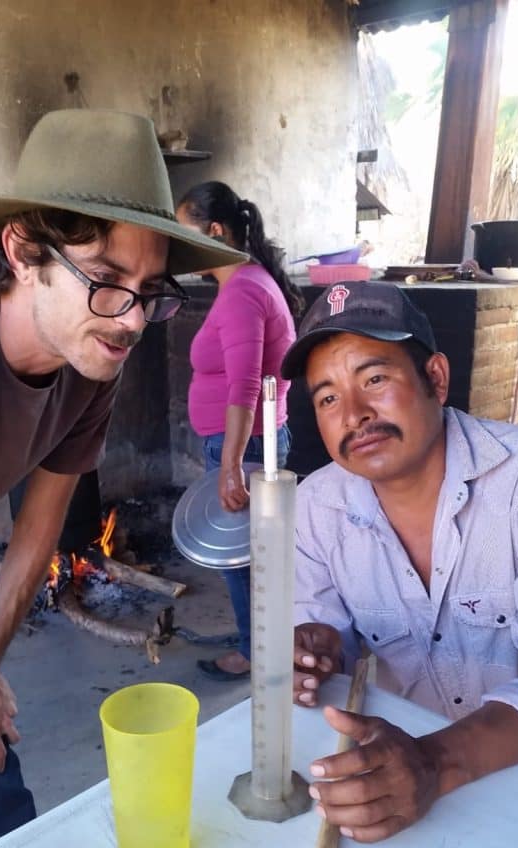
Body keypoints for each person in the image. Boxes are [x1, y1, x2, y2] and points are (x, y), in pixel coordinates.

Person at [0, 109, 244, 839]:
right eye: (107, 279)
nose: (133, 321)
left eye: (149, 290)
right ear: (22, 250)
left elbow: (40, 524)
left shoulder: (91, 365)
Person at [280, 280, 518, 844]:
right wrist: (312, 647)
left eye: (375, 379)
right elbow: (323, 632)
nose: (355, 414)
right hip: (397, 773)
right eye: (328, 398)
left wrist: (438, 762)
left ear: (435, 378)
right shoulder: (316, 506)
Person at [176, 181, 303, 681]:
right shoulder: (246, 284)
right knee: (253, 556)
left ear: (214, 231)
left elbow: (246, 385)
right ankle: (263, 643)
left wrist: (229, 466)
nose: (178, 247)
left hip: (247, 446)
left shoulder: (244, 292)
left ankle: (257, 654)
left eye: (184, 234)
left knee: (243, 561)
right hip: (253, 441)